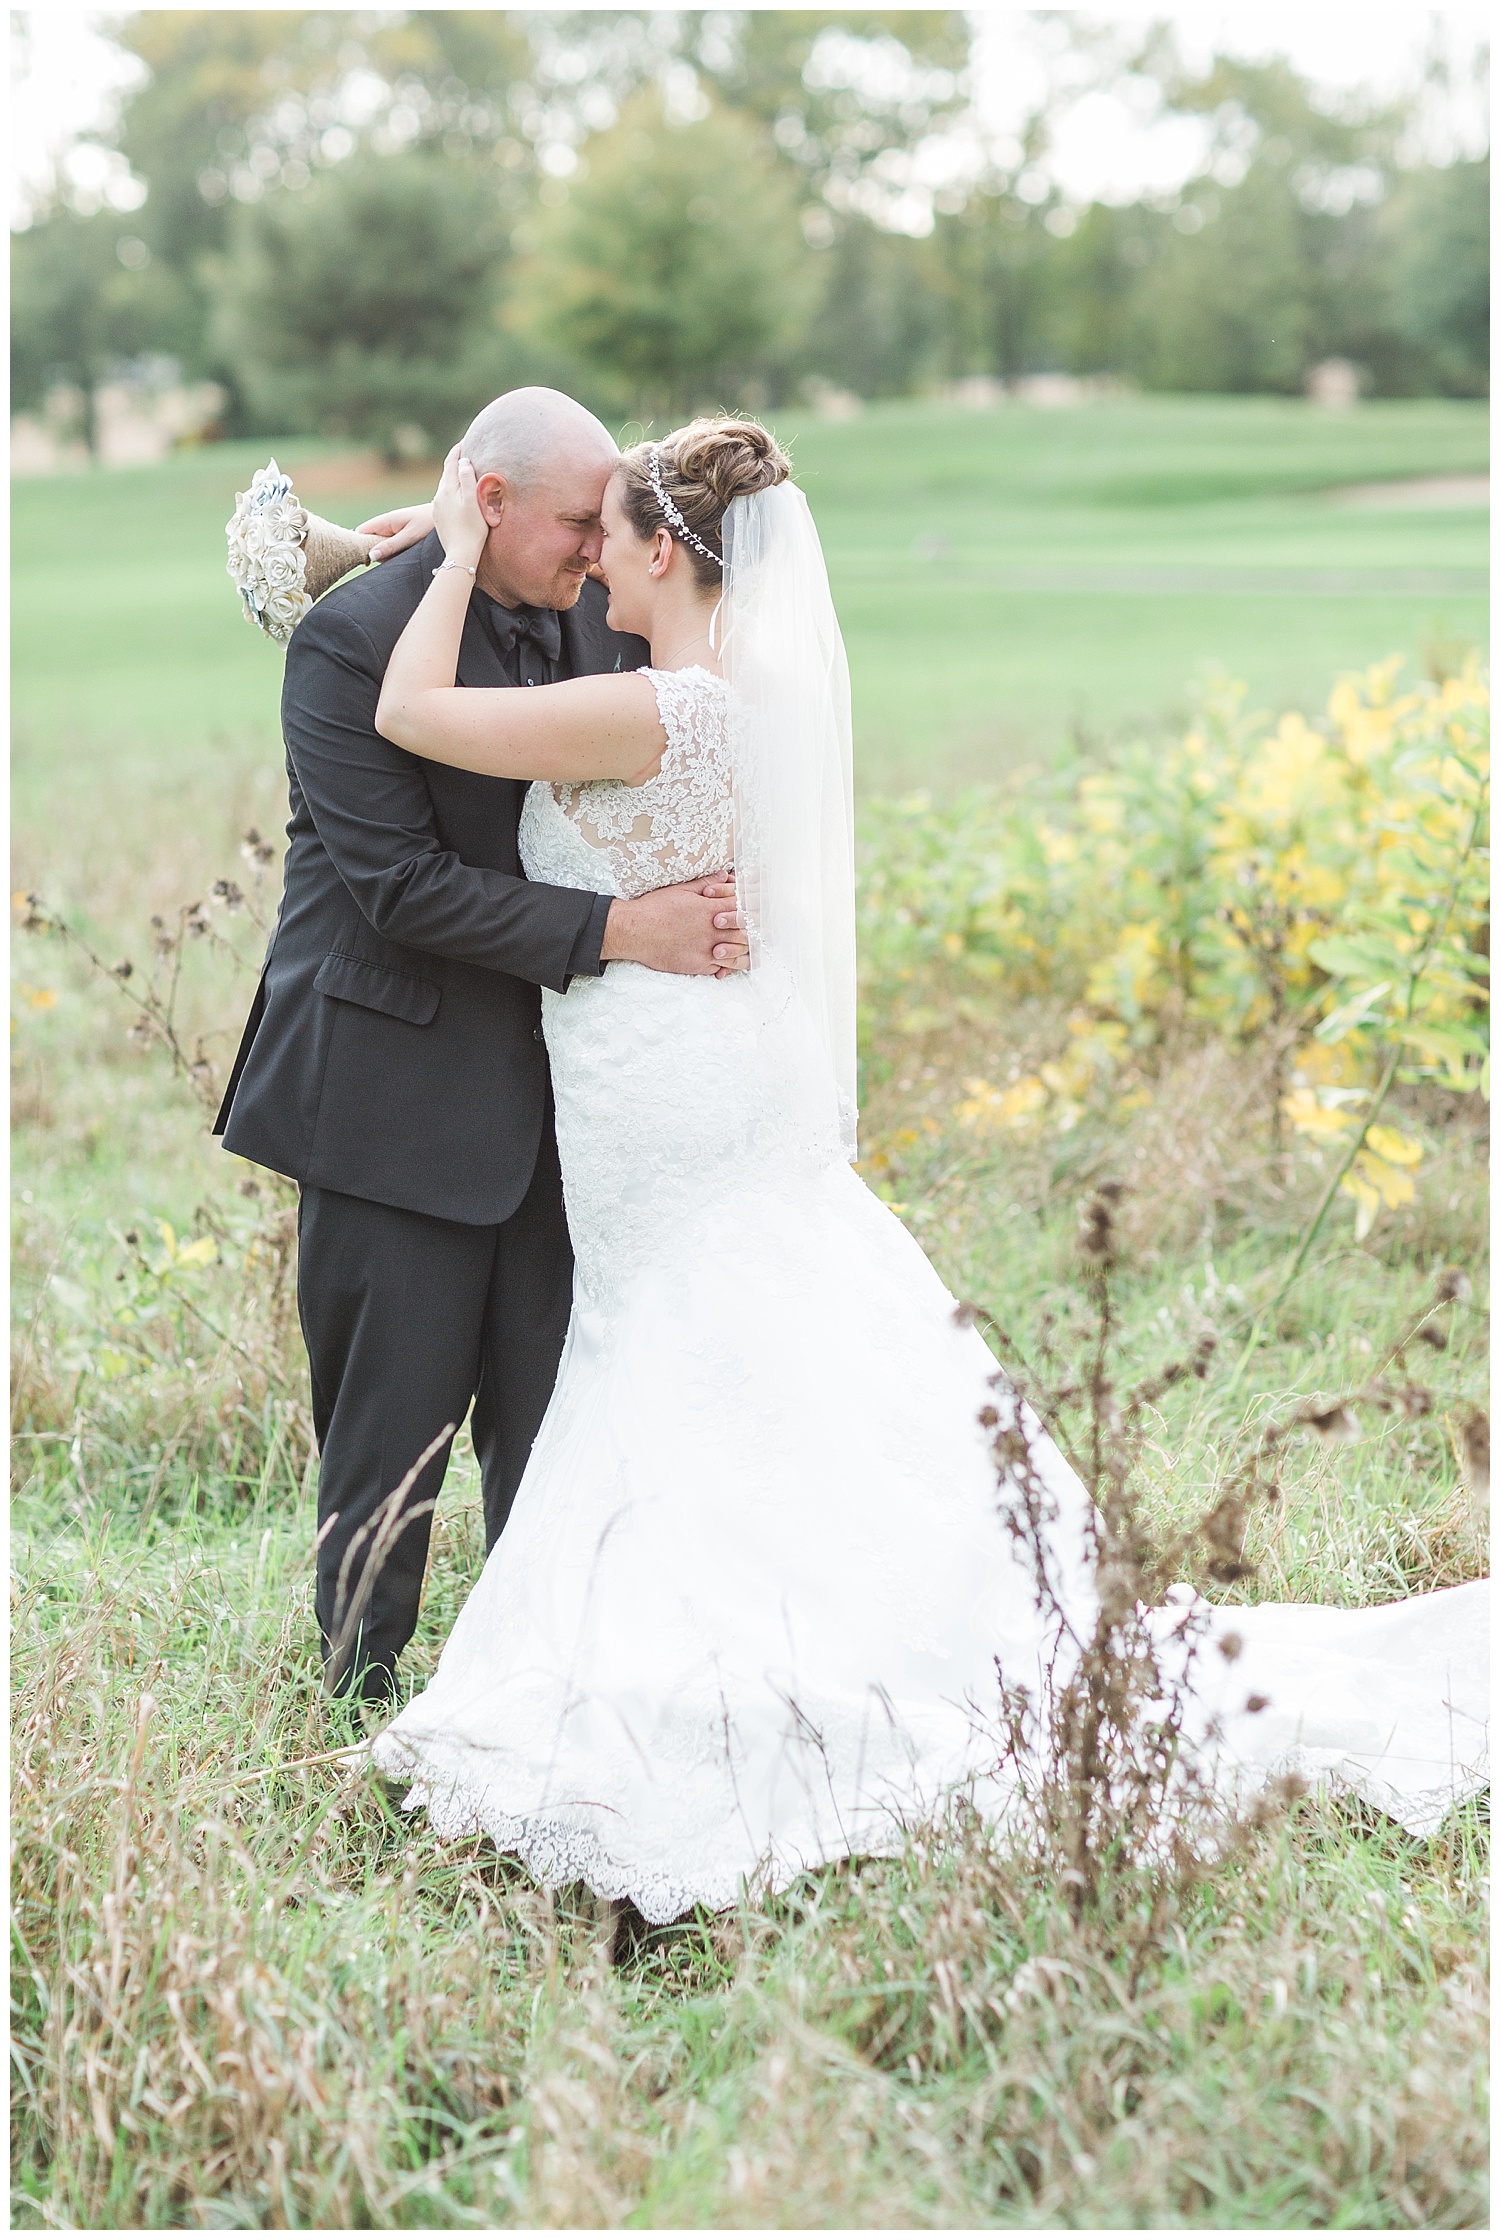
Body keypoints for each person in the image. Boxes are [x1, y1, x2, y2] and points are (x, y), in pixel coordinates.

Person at [357, 415, 1488, 1925]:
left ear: (660, 553)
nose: (586, 565)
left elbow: (415, 711)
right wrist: (425, 545)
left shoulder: (645, 714)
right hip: (705, 1079)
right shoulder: (734, 702)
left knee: (691, 1350)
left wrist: (442, 548)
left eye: (608, 538)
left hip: (668, 1097)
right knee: (753, 1347)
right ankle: (811, 1612)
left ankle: (745, 1653)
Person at [213, 387, 748, 1706]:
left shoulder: (591, 608)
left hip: (569, 1099)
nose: (595, 544)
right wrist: (624, 928)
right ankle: (356, 1700)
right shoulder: (352, 641)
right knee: (388, 1444)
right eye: (576, 520)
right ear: (488, 503)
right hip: (388, 1091)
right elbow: (400, 889)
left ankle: (533, 1698)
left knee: (552, 1433)